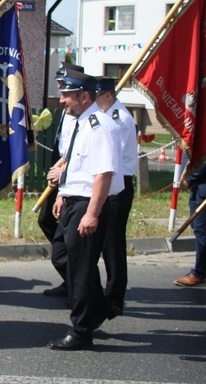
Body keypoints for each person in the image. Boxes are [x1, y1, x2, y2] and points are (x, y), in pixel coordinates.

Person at [45, 70, 123, 350]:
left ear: (84, 96)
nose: (62, 99)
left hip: (88, 204)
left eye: (67, 95)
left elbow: (103, 174)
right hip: (73, 200)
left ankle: (81, 330)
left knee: (80, 269)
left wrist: (92, 213)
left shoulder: (98, 126)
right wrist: (62, 195)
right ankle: (100, 306)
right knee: (67, 259)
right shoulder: (80, 123)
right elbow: (75, 166)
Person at [42, 62, 84, 298]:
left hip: (75, 182)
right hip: (62, 175)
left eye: (65, 87)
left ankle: (85, 291)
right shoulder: (68, 111)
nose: (60, 91)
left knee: (77, 246)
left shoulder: (85, 116)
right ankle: (71, 281)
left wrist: (63, 173)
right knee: (47, 221)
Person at [95, 76, 137, 310]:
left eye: (97, 96)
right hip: (111, 185)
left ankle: (115, 298)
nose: (94, 100)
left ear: (108, 95)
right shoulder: (108, 116)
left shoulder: (119, 119)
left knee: (113, 245)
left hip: (118, 187)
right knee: (106, 243)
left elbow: (111, 158)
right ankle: (109, 293)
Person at [173, 160, 206, 287]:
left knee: (201, 230)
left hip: (202, 183)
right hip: (198, 186)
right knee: (198, 229)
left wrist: (191, 177)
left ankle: (199, 273)